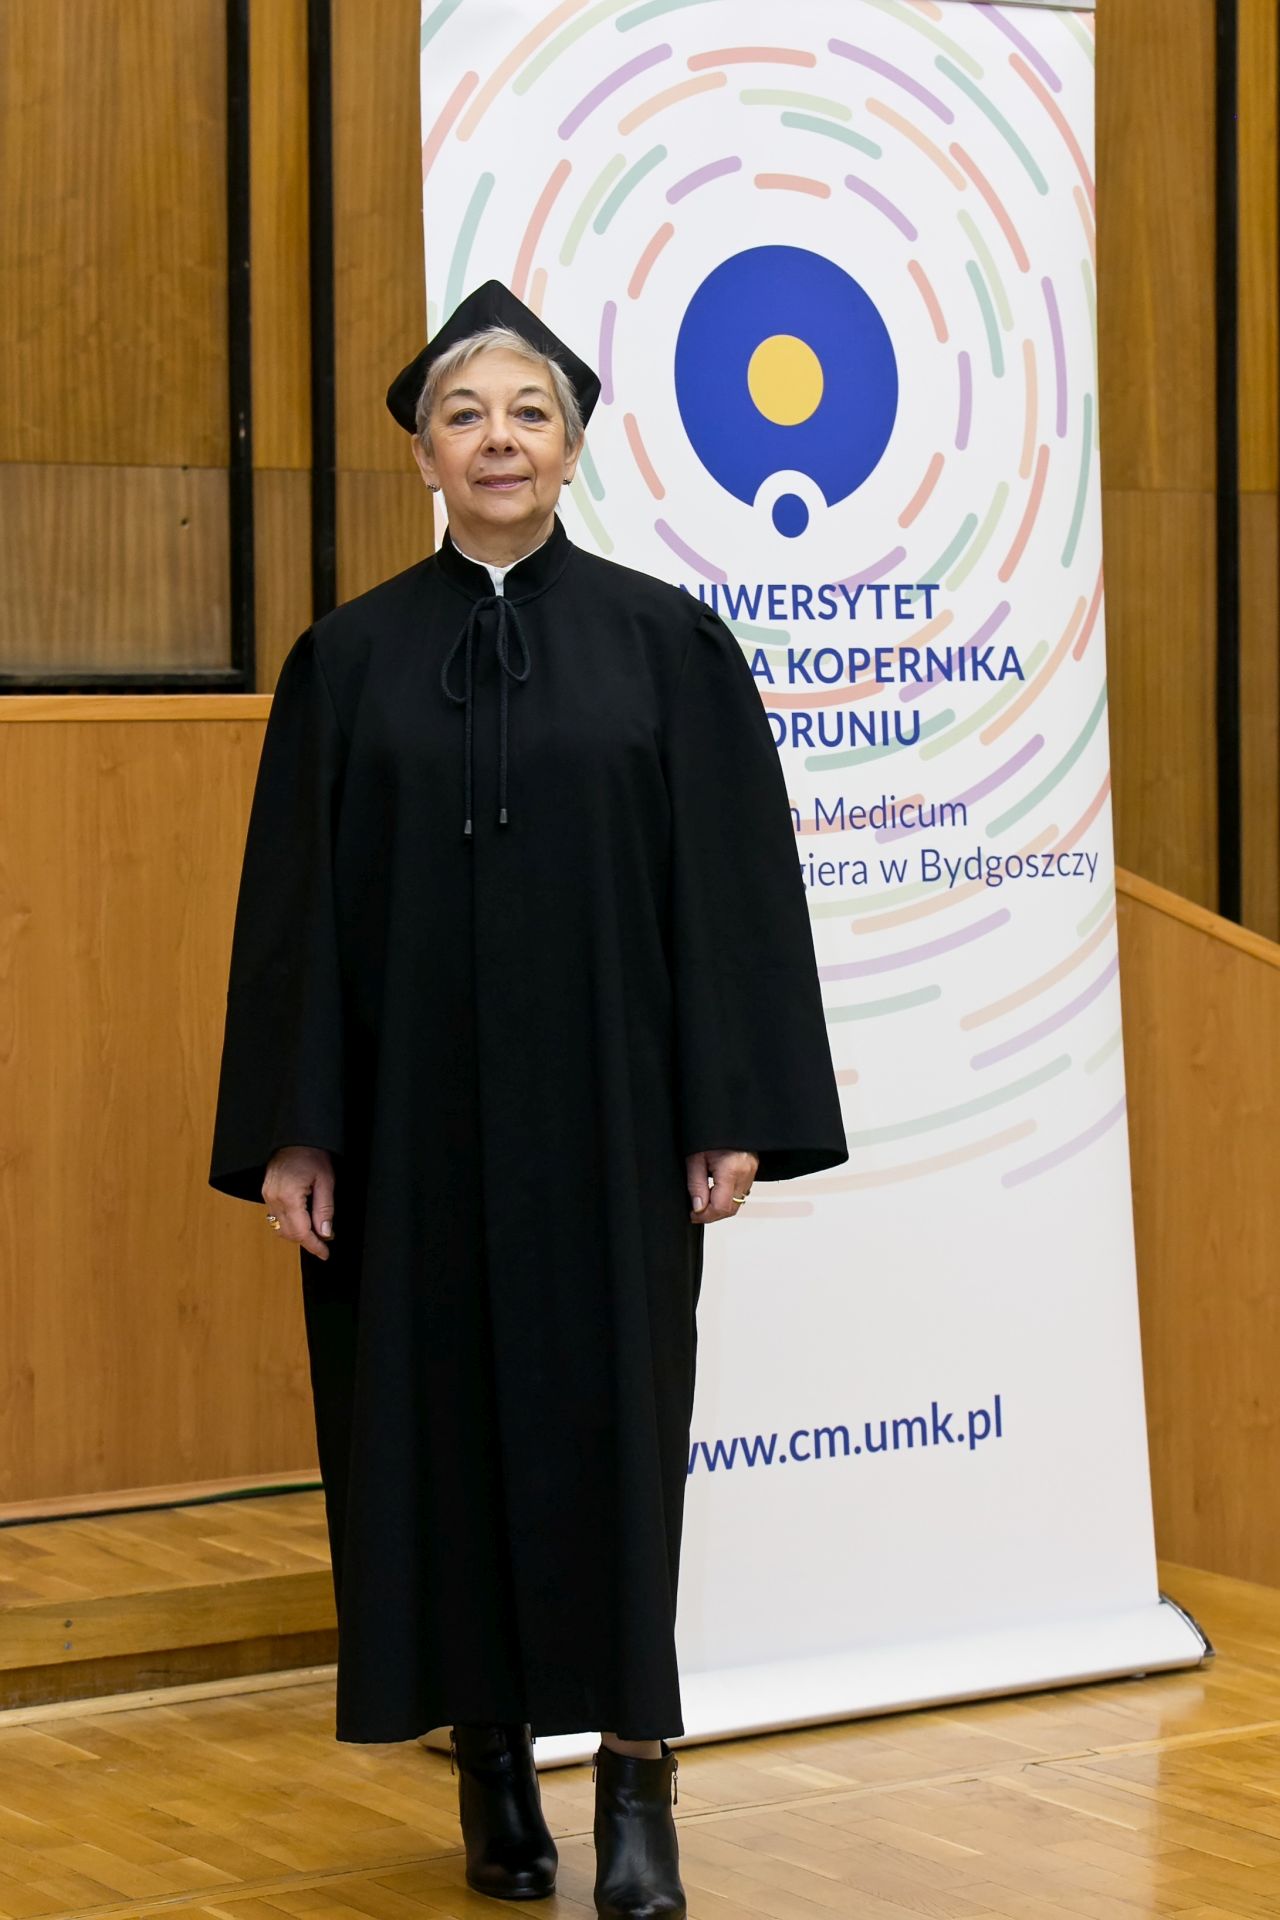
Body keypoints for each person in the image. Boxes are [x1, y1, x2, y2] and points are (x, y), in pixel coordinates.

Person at [208, 279, 848, 1919]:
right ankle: (489, 1765)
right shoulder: (349, 660)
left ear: (572, 447)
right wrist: (297, 1125)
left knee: (613, 1436)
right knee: (426, 1437)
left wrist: (728, 1105)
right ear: (424, 453)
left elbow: (728, 892)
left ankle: (636, 1779)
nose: (498, 439)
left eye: (529, 414)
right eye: (465, 416)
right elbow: (296, 914)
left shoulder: (665, 647)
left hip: (608, 1123)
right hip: (408, 1135)